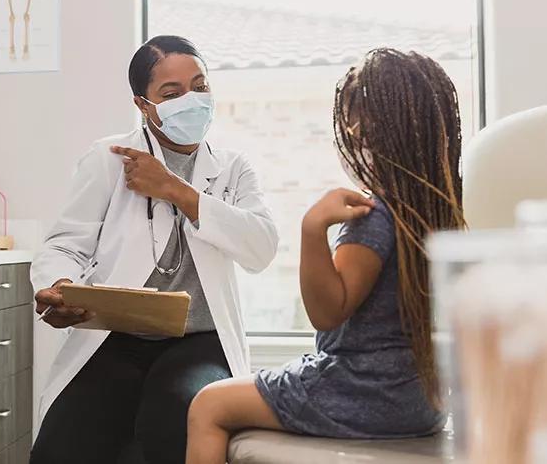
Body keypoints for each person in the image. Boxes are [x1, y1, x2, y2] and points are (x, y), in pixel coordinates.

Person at [185, 48, 465, 464]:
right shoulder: (441, 212)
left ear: (366, 134)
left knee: (208, 404)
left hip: (360, 394)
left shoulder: (375, 217)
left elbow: (327, 312)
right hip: (421, 401)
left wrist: (312, 228)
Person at [30, 35, 279, 464]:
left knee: (172, 422)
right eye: (172, 92)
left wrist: (176, 190)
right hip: (116, 336)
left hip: (199, 339)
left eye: (200, 87)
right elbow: (65, 244)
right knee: (65, 440)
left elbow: (261, 247)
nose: (193, 100)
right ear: (144, 106)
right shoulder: (109, 159)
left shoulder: (234, 168)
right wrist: (59, 285)